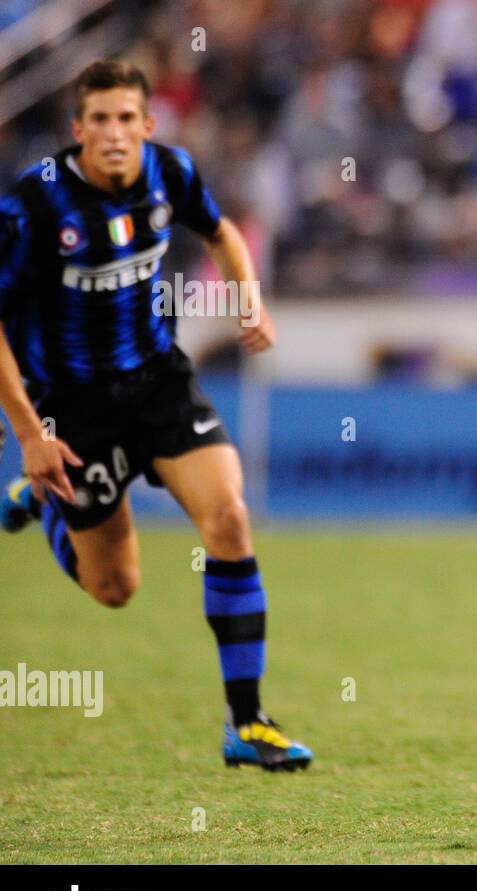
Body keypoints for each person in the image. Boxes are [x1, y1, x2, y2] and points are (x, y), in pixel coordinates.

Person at [0, 60, 313, 771]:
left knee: (229, 517)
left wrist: (249, 298)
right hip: (73, 409)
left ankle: (247, 722)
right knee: (116, 588)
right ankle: (35, 499)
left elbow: (223, 229)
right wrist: (27, 431)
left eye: (126, 119)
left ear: (148, 124)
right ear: (78, 131)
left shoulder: (170, 172)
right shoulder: (34, 206)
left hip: (159, 384)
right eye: (98, 120)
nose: (113, 133)